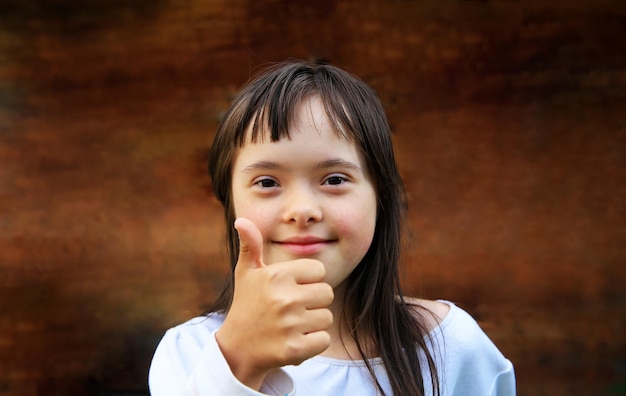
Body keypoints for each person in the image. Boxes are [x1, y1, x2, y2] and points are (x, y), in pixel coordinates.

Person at [148, 59, 516, 396]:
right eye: (267, 182)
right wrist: (239, 364)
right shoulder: (188, 353)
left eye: (335, 179)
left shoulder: (451, 345)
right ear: (230, 201)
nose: (302, 211)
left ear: (380, 196)